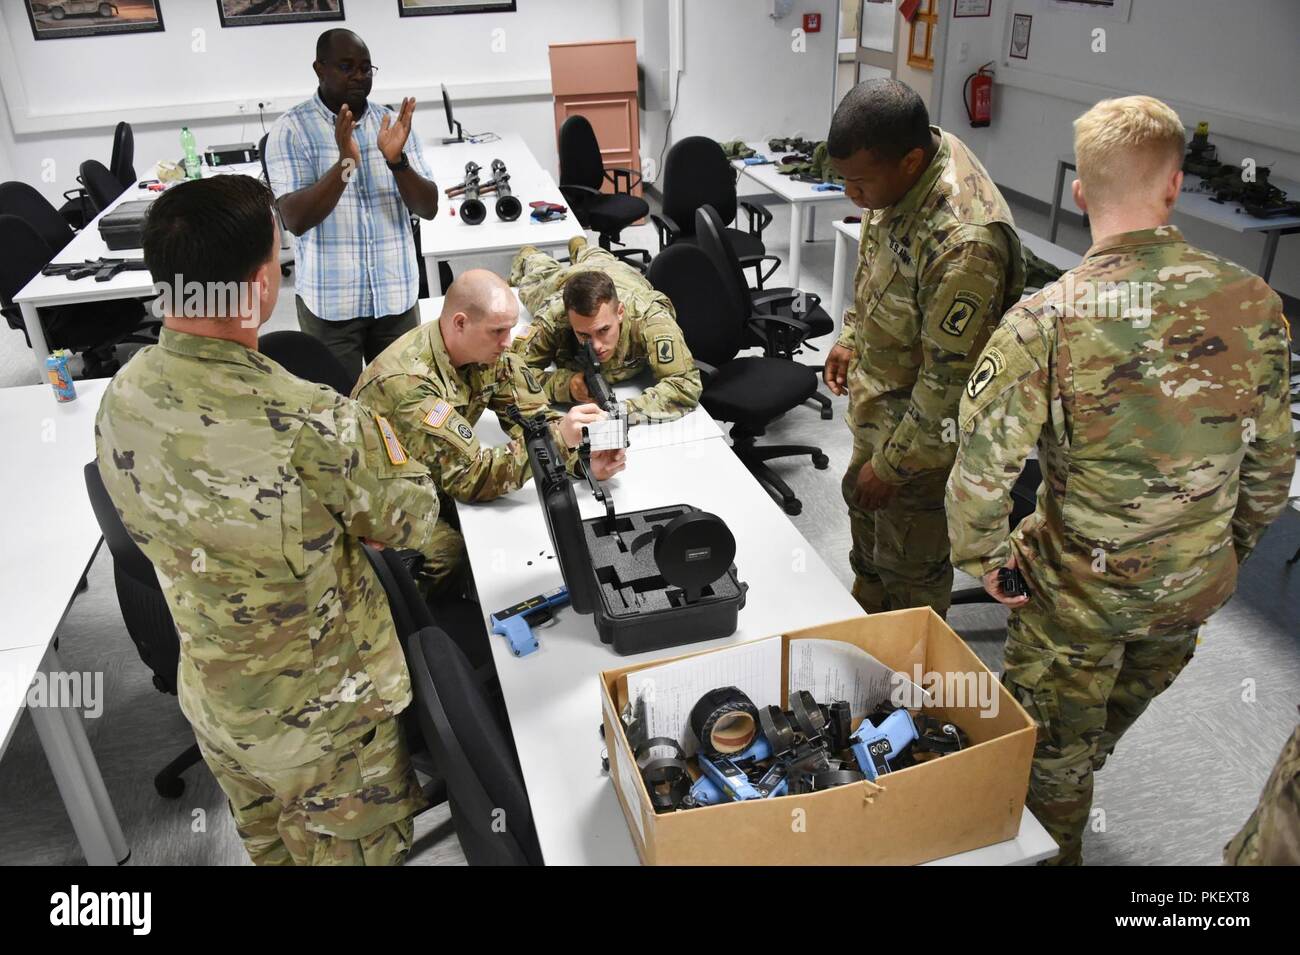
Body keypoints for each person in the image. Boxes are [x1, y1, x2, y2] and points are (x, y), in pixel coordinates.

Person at [946, 95, 1295, 865]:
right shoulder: (1257, 305)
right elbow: (1272, 466)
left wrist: (986, 560)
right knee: (1097, 736)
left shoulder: (1047, 320)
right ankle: (1078, 763)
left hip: (1078, 602)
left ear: (1078, 193)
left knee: (1051, 771)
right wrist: (1221, 552)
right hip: (1190, 596)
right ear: (1173, 188)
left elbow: (980, 469)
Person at [96, 175, 440, 865]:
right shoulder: (312, 418)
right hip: (327, 728)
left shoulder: (122, 394)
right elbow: (413, 517)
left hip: (220, 706)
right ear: (259, 286)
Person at [822, 79, 1024, 616]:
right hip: (885, 404)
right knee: (867, 535)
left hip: (926, 439)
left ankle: (911, 678)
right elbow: (878, 262)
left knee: (910, 568)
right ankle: (868, 623)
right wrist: (852, 335)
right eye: (844, 180)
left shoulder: (964, 243)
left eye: (858, 183)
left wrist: (888, 467)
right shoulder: (891, 174)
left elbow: (945, 387)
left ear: (910, 162)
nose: (852, 195)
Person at [352, 269, 627, 586]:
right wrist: (558, 438)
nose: (507, 342)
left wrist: (582, 462)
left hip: (430, 467)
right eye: (498, 331)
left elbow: (535, 419)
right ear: (460, 323)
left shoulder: (488, 351)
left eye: (509, 329)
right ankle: (411, 622)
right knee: (449, 552)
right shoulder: (408, 384)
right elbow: (471, 479)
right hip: (380, 489)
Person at [266, 28, 440, 381]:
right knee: (337, 413)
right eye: (346, 66)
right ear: (319, 68)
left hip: (396, 297)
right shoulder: (291, 130)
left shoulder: (391, 123)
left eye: (366, 68)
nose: (359, 76)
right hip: (332, 306)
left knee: (403, 404)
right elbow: (295, 219)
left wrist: (397, 162)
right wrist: (346, 164)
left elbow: (429, 207)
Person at [509, 237, 701, 424]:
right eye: (583, 335)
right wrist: (565, 385)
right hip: (565, 281)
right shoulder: (554, 317)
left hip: (619, 273)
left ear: (620, 312)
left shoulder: (649, 318)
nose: (597, 346)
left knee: (597, 256)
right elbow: (511, 377)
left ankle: (580, 247)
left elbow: (686, 384)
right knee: (536, 278)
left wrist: (625, 411)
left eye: (603, 330)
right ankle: (531, 254)